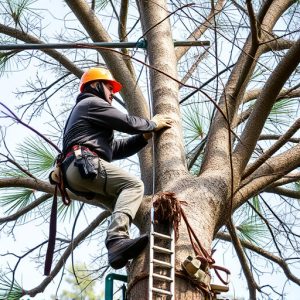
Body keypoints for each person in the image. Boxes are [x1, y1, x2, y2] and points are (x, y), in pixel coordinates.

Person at [61, 66, 172, 269]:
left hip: (76, 171)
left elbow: (114, 149)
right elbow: (126, 121)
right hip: (84, 163)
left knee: (122, 202)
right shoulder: (91, 103)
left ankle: (118, 254)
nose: (113, 93)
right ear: (95, 85)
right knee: (134, 186)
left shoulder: (88, 116)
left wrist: (143, 137)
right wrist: (151, 124)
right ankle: (116, 239)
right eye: (109, 87)